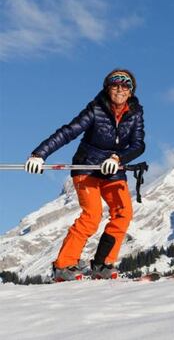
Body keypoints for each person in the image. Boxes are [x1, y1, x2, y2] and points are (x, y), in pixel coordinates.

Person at [25, 69, 145, 281]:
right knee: (92, 215)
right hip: (87, 167)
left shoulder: (135, 113)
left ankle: (102, 264)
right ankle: (63, 266)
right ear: (107, 88)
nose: (120, 89)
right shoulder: (96, 109)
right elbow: (68, 132)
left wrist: (118, 158)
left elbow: (138, 144)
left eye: (125, 85)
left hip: (113, 169)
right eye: (115, 84)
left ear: (131, 90)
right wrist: (39, 154)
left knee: (123, 213)